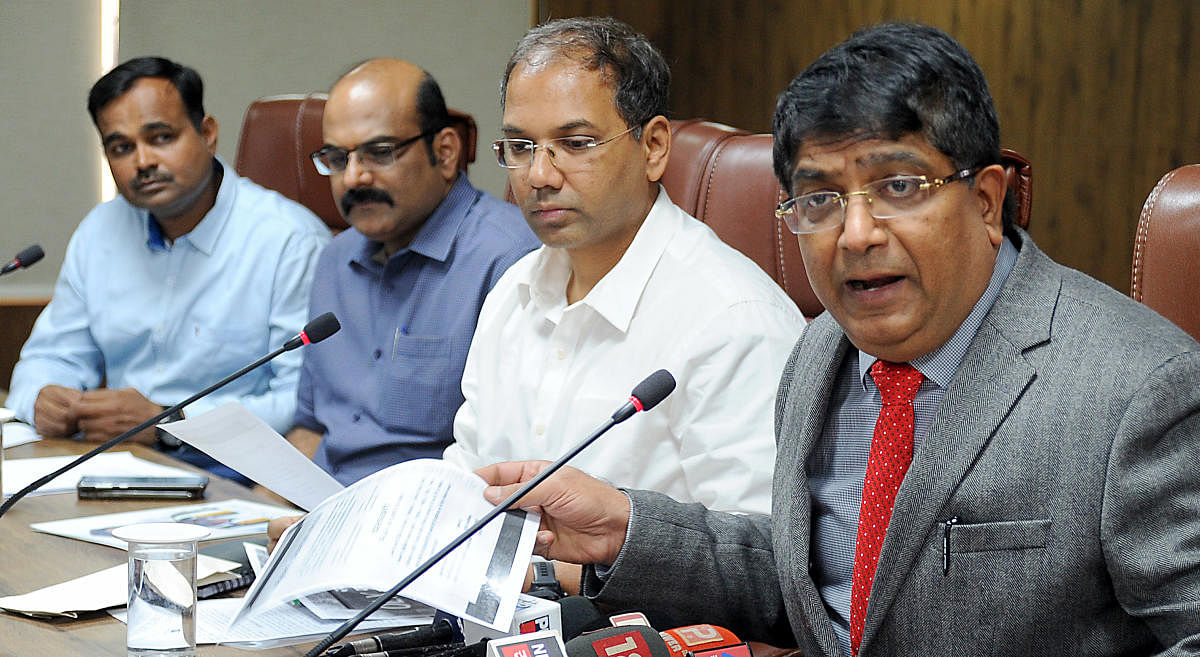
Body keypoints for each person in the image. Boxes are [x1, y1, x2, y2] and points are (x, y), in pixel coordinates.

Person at [478, 22, 1200, 657]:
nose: (855, 235)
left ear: (985, 200)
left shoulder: (1141, 386)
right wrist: (628, 530)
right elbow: (817, 578)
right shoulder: (822, 353)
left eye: (899, 187)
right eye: (820, 198)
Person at [442, 17, 804, 517]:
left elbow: (754, 556)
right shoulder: (512, 292)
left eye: (576, 144)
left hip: (631, 597)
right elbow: (468, 478)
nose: (539, 176)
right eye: (522, 148)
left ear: (653, 147)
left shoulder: (734, 319)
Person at [7, 57, 330, 483]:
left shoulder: (289, 241)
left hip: (237, 479)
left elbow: (299, 400)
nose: (142, 162)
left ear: (208, 134)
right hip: (115, 469)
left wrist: (169, 423)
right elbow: (50, 356)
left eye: (161, 137)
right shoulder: (100, 232)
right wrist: (43, 397)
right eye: (121, 147)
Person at [288, 59, 539, 486]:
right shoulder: (335, 259)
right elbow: (310, 428)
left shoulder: (512, 260)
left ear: (444, 152)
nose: (353, 178)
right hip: (318, 512)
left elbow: (509, 462)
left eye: (380, 152)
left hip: (427, 527)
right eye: (336, 158)